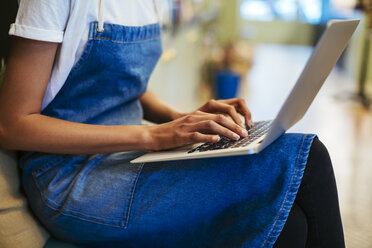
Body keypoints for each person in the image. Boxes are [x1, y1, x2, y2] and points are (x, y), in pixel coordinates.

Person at [0, 0, 345, 247]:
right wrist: (154, 135)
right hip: (71, 181)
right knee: (307, 155)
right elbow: (12, 125)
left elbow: (124, 84)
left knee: (292, 229)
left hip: (129, 157)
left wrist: (180, 118)